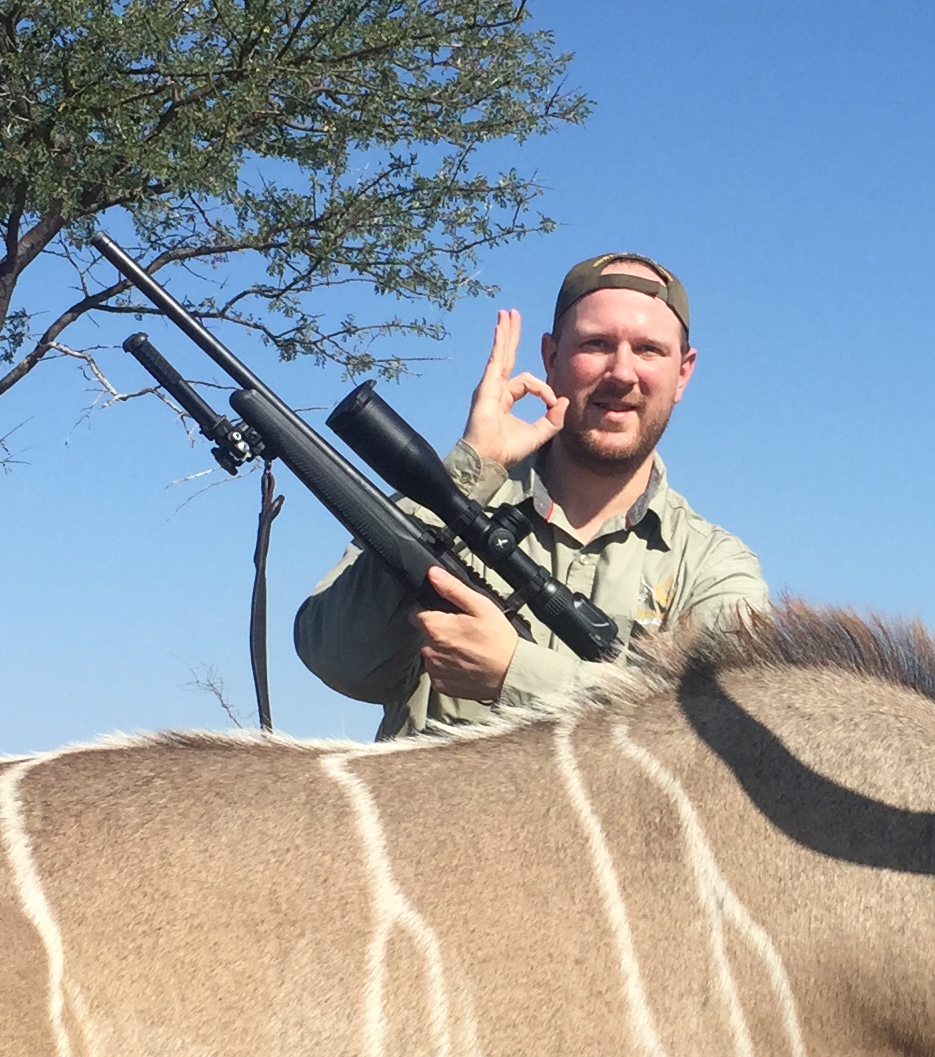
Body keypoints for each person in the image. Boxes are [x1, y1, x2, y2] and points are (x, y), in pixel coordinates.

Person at [295, 252, 767, 738]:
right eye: (596, 344)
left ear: (683, 373)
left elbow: (726, 733)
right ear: (551, 358)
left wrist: (515, 673)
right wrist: (473, 466)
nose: (622, 373)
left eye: (649, 350)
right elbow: (338, 660)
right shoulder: (460, 491)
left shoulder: (714, 566)